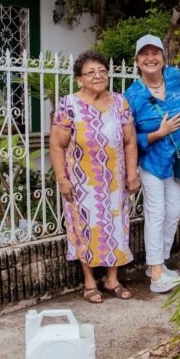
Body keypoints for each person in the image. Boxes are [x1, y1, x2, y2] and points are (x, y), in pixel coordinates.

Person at [49, 50, 140, 304]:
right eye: (91, 72)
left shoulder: (119, 103)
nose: (98, 76)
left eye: (102, 71)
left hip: (115, 180)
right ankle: (89, 282)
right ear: (79, 79)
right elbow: (57, 144)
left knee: (115, 227)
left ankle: (112, 279)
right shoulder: (69, 105)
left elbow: (130, 141)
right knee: (83, 228)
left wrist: (132, 173)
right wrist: (62, 178)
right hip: (81, 181)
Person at [125, 35, 180, 293]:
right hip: (151, 160)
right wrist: (158, 133)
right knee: (156, 212)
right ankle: (156, 272)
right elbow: (127, 136)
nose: (150, 58)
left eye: (155, 53)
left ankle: (157, 264)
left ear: (164, 57)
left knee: (174, 212)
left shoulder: (176, 78)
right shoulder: (133, 94)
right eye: (144, 54)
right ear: (137, 61)